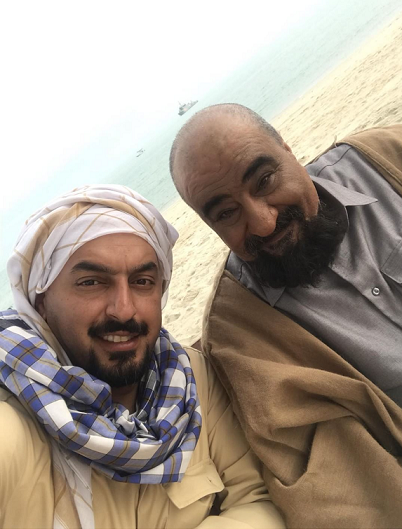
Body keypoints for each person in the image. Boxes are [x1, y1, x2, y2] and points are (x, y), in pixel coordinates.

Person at [170, 104, 402, 528]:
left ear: (288, 150)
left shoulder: (387, 162)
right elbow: (345, 494)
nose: (262, 223)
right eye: (226, 213)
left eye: (264, 180)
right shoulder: (242, 338)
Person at [0, 184, 285, 529]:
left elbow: (254, 497)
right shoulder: (12, 426)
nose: (124, 309)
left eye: (142, 281)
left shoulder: (188, 377)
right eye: (91, 282)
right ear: (41, 302)